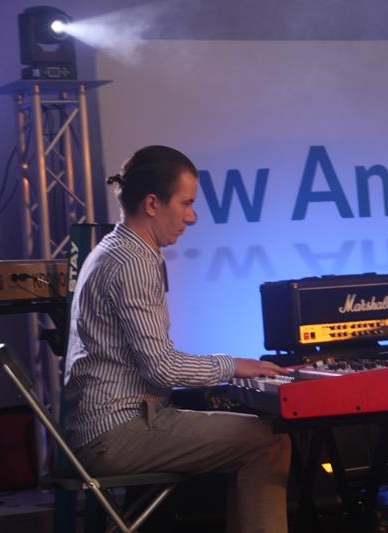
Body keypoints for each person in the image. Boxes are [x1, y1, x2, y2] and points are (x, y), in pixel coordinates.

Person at [63, 145, 291, 532]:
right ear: (152, 203)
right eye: (186, 203)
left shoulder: (114, 248)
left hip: (109, 425)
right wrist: (233, 366)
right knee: (270, 441)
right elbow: (162, 368)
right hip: (117, 432)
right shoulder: (132, 262)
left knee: (253, 437)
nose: (192, 216)